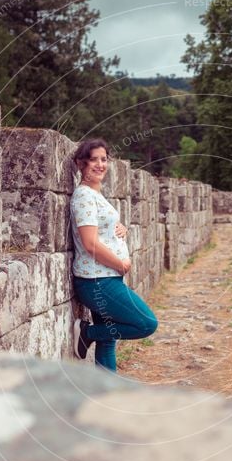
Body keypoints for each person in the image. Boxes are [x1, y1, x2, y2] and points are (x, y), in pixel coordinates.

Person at [69, 138, 158, 371]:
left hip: (105, 278)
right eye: (93, 160)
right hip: (97, 281)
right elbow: (90, 243)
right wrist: (121, 264)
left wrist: (121, 228)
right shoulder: (85, 196)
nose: (100, 164)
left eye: (104, 159)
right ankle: (87, 332)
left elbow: (103, 230)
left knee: (107, 341)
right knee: (146, 324)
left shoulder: (96, 196)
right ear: (81, 163)